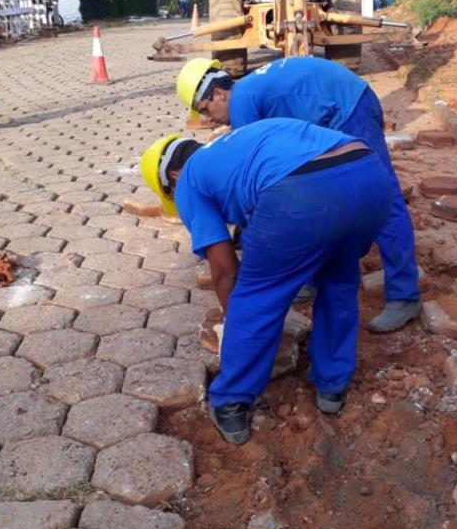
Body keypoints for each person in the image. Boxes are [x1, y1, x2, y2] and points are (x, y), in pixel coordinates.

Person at [140, 120, 392, 444]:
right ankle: (332, 386)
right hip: (370, 176)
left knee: (255, 296)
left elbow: (226, 270)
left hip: (303, 193)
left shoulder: (188, 180)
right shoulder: (234, 144)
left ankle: (232, 401)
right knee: (338, 281)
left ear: (172, 177)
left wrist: (237, 322)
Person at [176, 56, 422, 332]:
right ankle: (312, 279)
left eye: (205, 109)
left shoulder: (242, 100)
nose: (208, 119)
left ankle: (404, 294)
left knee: (385, 199)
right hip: (339, 104)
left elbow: (255, 177)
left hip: (351, 108)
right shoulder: (248, 91)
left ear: (219, 94)